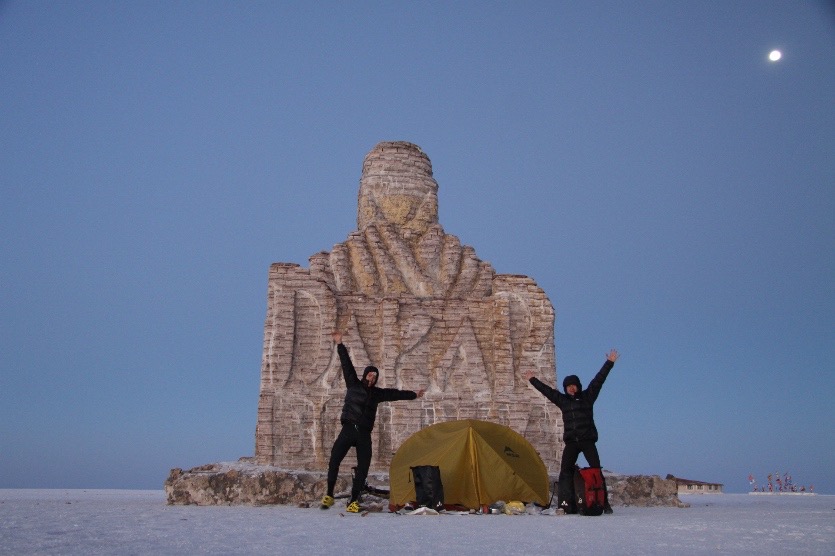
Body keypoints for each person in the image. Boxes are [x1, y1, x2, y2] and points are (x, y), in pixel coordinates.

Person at [321, 331, 425, 512]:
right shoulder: (353, 384)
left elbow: (395, 394)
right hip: (348, 429)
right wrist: (339, 343)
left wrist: (414, 395)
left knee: (364, 468)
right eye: (370, 374)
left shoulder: (377, 394)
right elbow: (346, 364)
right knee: (334, 460)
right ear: (365, 375)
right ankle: (329, 494)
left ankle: (353, 501)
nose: (372, 377)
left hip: (363, 433)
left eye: (374, 376)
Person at [524, 349, 619, 514]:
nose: (571, 388)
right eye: (568, 386)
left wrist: (609, 363)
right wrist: (533, 379)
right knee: (565, 472)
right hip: (571, 442)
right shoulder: (563, 401)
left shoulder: (588, 397)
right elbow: (547, 391)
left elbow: (598, 380)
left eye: (573, 385)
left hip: (587, 441)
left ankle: (605, 503)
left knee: (596, 470)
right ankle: (565, 502)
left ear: (578, 386)